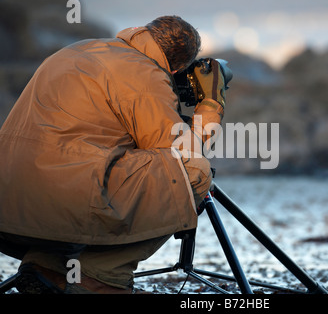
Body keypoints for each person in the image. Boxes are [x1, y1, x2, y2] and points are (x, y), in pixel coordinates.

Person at [0, 15, 226, 294]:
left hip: (12, 205)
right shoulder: (143, 72)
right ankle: (100, 276)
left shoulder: (80, 48)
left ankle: (47, 265)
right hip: (60, 203)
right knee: (193, 171)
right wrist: (211, 106)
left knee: (95, 165)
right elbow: (180, 153)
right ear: (178, 67)